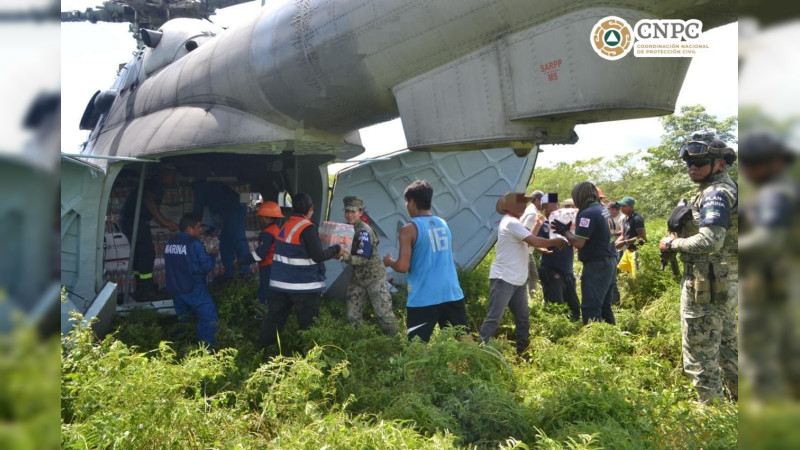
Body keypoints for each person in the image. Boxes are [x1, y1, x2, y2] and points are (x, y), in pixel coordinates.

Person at [658, 130, 738, 404]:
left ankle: (712, 418)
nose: (692, 167)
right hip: (724, 281)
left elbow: (710, 241)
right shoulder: (723, 189)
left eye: (700, 162)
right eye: (688, 162)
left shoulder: (716, 193)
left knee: (700, 357)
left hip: (707, 283)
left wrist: (671, 246)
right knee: (729, 348)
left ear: (720, 163)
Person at [737, 132, 800, 402]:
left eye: (752, 164)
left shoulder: (776, 193)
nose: (748, 170)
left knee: (764, 347)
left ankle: (771, 410)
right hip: (774, 280)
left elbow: (768, 240)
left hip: (771, 281)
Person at [479, 192, 568, 353]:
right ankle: (480, 353)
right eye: (519, 203)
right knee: (494, 319)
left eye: (523, 203)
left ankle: (523, 351)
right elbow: (533, 241)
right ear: (509, 206)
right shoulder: (511, 223)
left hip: (517, 280)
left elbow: (528, 242)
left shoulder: (515, 223)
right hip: (504, 278)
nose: (522, 206)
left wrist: (540, 232)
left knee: (523, 319)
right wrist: (555, 241)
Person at [383, 180, 468, 342]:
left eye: (407, 202)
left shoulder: (408, 229)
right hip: (451, 292)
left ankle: (420, 369)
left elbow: (402, 266)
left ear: (413, 202)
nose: (407, 206)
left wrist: (389, 261)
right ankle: (477, 366)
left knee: (417, 346)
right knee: (464, 339)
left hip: (424, 296)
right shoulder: (443, 224)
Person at [259, 193, 341, 348]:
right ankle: (309, 360)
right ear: (311, 209)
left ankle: (261, 353)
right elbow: (318, 256)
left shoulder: (286, 224)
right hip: (303, 286)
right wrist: (336, 248)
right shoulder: (307, 228)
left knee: (273, 322)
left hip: (280, 285)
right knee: (309, 326)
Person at [555, 181, 617, 325]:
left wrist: (564, 231)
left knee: (591, 307)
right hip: (610, 260)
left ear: (579, 196)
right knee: (604, 306)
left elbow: (578, 243)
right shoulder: (603, 210)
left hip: (597, 264)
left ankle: (594, 342)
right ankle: (612, 339)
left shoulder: (587, 214)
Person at [339, 196, 399, 336]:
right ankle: (358, 342)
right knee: (352, 314)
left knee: (383, 313)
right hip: (358, 278)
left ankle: (398, 342)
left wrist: (342, 256)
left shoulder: (363, 231)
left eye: (353, 211)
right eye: (347, 211)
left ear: (360, 212)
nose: (349, 215)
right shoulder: (348, 229)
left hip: (374, 277)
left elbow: (361, 259)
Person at [120, 163, 179, 300]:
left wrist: (166, 224)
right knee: (147, 253)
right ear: (164, 173)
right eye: (172, 176)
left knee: (138, 254)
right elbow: (149, 201)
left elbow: (151, 210)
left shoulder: (152, 183)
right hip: (135, 221)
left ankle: (142, 287)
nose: (174, 180)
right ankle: (146, 289)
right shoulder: (156, 183)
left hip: (129, 220)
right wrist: (164, 221)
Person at [164, 213, 219, 347]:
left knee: (184, 320)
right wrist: (212, 255)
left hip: (176, 288)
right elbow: (206, 266)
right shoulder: (195, 244)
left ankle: (182, 348)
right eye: (198, 227)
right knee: (209, 317)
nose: (200, 231)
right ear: (190, 228)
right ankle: (207, 350)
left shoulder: (170, 243)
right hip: (194, 287)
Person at [193, 180, 254, 281]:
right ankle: (230, 272)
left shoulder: (202, 190)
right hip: (233, 209)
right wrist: (211, 229)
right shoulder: (213, 187)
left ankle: (245, 271)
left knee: (239, 240)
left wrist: (191, 227)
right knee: (225, 242)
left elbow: (197, 212)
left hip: (235, 208)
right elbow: (216, 213)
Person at [537, 193, 581, 321]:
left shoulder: (565, 224)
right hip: (551, 271)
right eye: (549, 206)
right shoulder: (542, 224)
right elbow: (534, 242)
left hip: (567, 271)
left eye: (555, 205)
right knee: (556, 307)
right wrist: (542, 249)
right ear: (543, 207)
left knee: (574, 307)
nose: (553, 208)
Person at [253, 201, 283, 306]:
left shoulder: (267, 233)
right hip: (275, 266)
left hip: (268, 267)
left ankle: (261, 316)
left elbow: (260, 254)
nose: (259, 220)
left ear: (266, 218)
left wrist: (243, 260)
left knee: (264, 294)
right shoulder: (276, 229)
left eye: (260, 217)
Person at [520, 190, 545, 294]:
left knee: (533, 276)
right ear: (538, 200)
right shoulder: (532, 214)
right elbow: (526, 236)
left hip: (526, 250)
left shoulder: (530, 210)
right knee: (528, 278)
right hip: (524, 251)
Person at [616, 196, 646, 277]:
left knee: (636, 275)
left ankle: (637, 288)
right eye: (621, 206)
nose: (621, 208)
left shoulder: (637, 219)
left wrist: (625, 242)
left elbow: (642, 237)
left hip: (637, 250)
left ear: (631, 207)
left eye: (624, 206)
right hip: (629, 250)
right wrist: (615, 243)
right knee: (622, 271)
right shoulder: (625, 219)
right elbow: (623, 234)